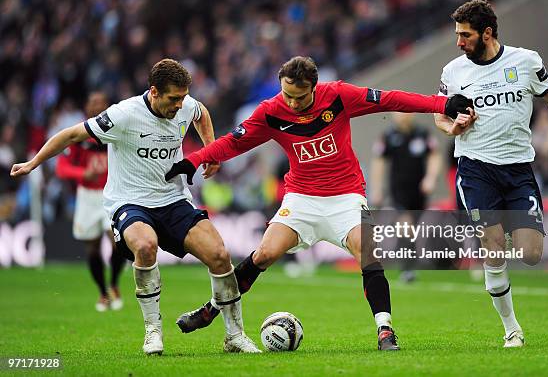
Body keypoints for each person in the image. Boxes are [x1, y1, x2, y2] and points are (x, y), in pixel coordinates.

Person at [164, 56, 474, 351]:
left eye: (299, 97)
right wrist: (194, 160)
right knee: (264, 254)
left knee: (367, 252)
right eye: (287, 95)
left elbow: (391, 99)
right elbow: (234, 141)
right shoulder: (272, 111)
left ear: (314, 87)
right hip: (301, 199)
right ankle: (211, 308)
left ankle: (385, 329)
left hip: (346, 196)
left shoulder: (338, 96)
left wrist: (443, 103)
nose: (293, 103)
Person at [10, 59, 260, 355]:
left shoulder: (185, 104)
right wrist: (33, 163)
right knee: (145, 245)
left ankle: (234, 336)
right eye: (173, 99)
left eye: (182, 97)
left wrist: (210, 150)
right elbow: (71, 135)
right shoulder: (124, 114)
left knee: (220, 255)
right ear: (154, 92)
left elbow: (200, 112)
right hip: (131, 202)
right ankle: (153, 330)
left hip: (174, 200)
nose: (180, 105)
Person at [434, 0, 548, 348]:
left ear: (487, 33)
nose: (459, 42)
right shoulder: (454, 72)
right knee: (493, 247)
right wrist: (453, 128)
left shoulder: (526, 61)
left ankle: (499, 236)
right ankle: (512, 329)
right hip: (475, 170)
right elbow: (439, 115)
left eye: (465, 35)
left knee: (531, 254)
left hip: (518, 171)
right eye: (457, 35)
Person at [55, 91, 125, 312]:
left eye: (101, 103)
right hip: (87, 198)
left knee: (117, 243)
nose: (97, 107)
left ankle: (114, 284)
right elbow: (61, 167)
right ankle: (103, 292)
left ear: (107, 106)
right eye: (93, 103)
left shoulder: (115, 129)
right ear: (87, 107)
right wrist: (81, 173)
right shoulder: (80, 134)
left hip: (111, 194)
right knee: (92, 248)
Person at [369, 112, 442, 282]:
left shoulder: (423, 134)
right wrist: (376, 189)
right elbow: (378, 162)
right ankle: (407, 269)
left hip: (419, 192)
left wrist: (430, 178)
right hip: (398, 191)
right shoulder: (388, 136)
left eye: (407, 112)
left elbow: (434, 155)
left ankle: (408, 264)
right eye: (400, 112)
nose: (403, 116)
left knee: (412, 228)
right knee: (405, 225)